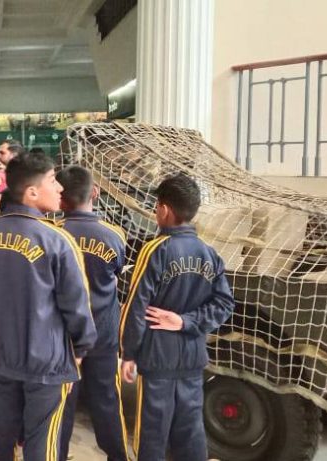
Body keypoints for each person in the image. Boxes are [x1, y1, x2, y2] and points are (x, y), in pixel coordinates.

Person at [0, 152, 96, 461]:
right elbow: (77, 305)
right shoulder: (56, 240)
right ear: (31, 192)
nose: (60, 188)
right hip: (46, 363)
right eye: (53, 181)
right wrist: (81, 348)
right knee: (42, 442)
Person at [119, 174, 235, 461]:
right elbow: (224, 303)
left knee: (152, 433)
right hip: (192, 357)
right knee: (190, 431)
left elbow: (136, 306)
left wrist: (128, 353)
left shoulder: (155, 250)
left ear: (164, 209)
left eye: (156, 206)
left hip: (158, 357)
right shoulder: (209, 253)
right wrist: (187, 322)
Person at [56, 166, 129, 461]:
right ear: (95, 193)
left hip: (64, 332)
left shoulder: (55, 233)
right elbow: (116, 273)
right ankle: (117, 455)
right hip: (103, 330)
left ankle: (56, 453)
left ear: (60, 199)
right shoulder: (113, 234)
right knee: (107, 397)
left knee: (62, 399)